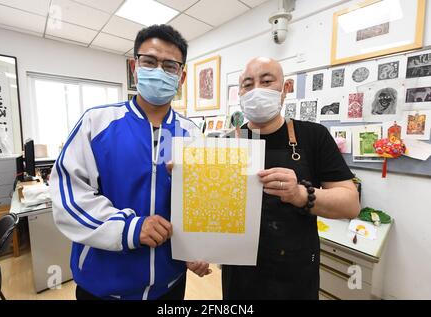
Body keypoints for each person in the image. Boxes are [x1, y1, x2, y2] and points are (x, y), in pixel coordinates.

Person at [50, 24, 211, 300]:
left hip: (170, 284)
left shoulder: (192, 133)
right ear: (135, 68)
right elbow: (68, 198)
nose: (159, 71)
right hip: (103, 286)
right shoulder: (96, 123)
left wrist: (198, 247)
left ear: (181, 78)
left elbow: (201, 204)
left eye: (170, 66)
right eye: (149, 61)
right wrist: (131, 228)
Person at [222, 57, 360, 300]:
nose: (256, 90)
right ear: (240, 93)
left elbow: (350, 204)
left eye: (266, 81)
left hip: (295, 272)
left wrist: (300, 194)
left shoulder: (313, 136)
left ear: (284, 89)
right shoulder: (227, 143)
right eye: (248, 84)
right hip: (240, 273)